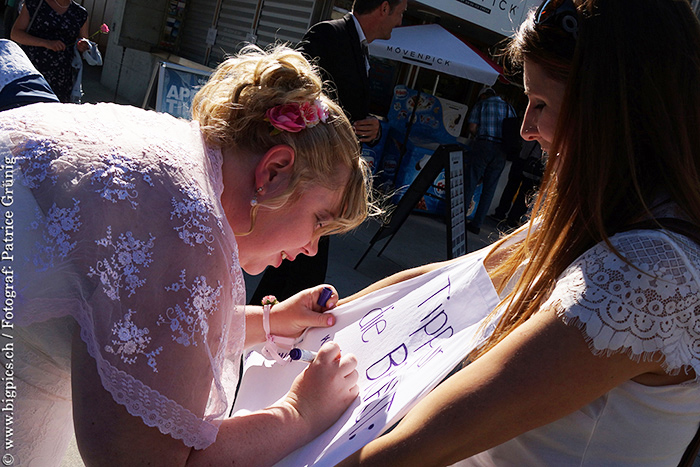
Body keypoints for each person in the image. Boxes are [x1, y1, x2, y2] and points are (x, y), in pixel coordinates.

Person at [336, 0, 700, 465]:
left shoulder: (649, 273)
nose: (527, 128)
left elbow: (423, 445)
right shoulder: (615, 220)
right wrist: (311, 320)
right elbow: (447, 280)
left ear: (616, 110)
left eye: (542, 103)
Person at [0, 45, 372, 466]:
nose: (311, 248)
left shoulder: (178, 159)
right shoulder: (185, 226)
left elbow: (138, 325)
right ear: (273, 171)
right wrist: (300, 413)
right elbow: (145, 459)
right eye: (319, 220)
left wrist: (272, 321)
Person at [248, 0, 407, 305]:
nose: (400, 23)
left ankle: (273, 326)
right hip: (310, 177)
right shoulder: (329, 34)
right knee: (296, 261)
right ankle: (267, 326)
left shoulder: (360, 49)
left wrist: (373, 126)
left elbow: (346, 106)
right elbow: (295, 93)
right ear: (383, 7)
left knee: (300, 266)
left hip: (330, 182)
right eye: (400, 13)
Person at [10, 0, 89, 102]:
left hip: (62, 79)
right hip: (32, 73)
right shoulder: (35, 4)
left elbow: (84, 42)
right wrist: (46, 43)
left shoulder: (80, 13)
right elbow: (15, 34)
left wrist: (82, 46)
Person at [464, 86, 517, 235]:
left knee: (471, 182)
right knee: (489, 188)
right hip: (501, 150)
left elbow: (472, 127)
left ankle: (459, 220)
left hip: (484, 144)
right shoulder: (509, 107)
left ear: (483, 96)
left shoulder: (482, 105)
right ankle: (477, 224)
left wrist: (479, 134)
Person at [491, 140, 544, 229]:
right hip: (534, 164)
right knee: (525, 194)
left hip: (522, 158)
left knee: (511, 187)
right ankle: (513, 219)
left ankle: (501, 213)